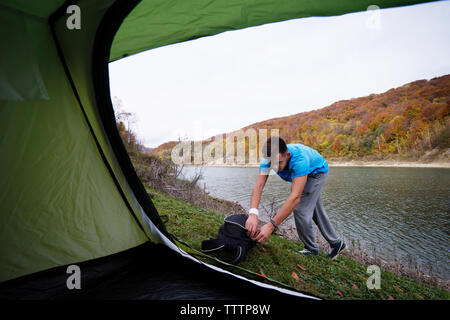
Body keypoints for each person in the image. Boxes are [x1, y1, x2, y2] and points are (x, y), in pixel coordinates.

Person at [245, 136, 346, 259]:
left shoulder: (300, 160)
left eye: (278, 163)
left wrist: (271, 226)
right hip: (305, 172)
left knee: (300, 209)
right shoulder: (268, 160)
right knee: (314, 209)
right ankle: (337, 243)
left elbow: (295, 196)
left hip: (316, 172)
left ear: (287, 155)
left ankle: (311, 249)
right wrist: (253, 213)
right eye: (272, 164)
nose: (275, 167)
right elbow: (258, 186)